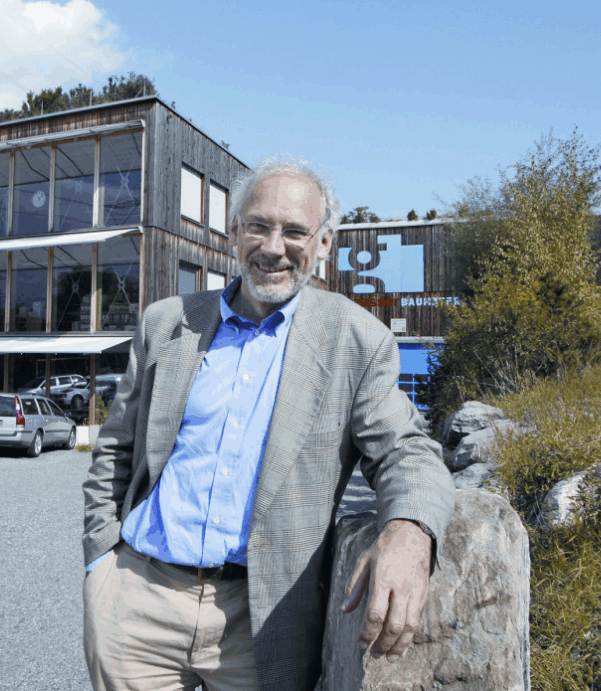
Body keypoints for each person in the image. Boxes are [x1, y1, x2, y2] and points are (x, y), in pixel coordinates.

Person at [83, 158, 456, 691]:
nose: (274, 247)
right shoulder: (166, 322)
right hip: (136, 603)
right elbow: (116, 448)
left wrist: (410, 532)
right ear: (234, 233)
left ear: (323, 244)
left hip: (264, 621)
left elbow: (406, 451)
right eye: (258, 225)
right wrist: (101, 561)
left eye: (295, 232)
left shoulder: (356, 339)